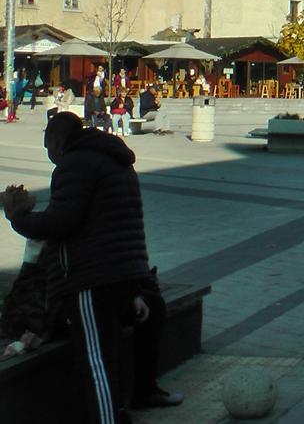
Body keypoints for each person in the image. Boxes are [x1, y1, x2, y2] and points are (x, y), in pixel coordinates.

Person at [2, 112, 184, 419]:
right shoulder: (114, 159)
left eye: (48, 148)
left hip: (92, 278)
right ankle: (138, 396)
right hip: (125, 271)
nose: (50, 157)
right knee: (110, 350)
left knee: (96, 362)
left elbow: (60, 222)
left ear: (56, 142)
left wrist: (18, 216)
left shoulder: (74, 164)